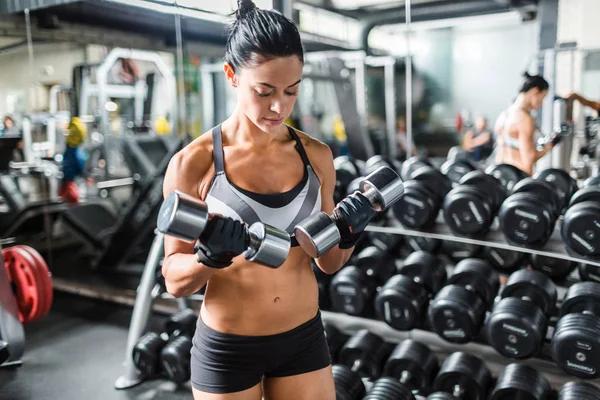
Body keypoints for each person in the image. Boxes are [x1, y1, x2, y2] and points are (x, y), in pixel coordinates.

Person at [161, 1, 376, 399]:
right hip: (229, 349)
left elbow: (327, 264)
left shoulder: (316, 157)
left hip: (304, 340)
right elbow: (174, 279)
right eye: (264, 91)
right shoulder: (195, 164)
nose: (279, 106)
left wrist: (347, 233)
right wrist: (208, 258)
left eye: (291, 91)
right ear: (232, 76)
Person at [494, 72, 560, 175]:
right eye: (542, 97)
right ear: (535, 91)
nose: (541, 103)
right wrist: (549, 147)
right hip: (519, 179)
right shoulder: (525, 119)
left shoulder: (504, 115)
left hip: (501, 176)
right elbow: (530, 158)